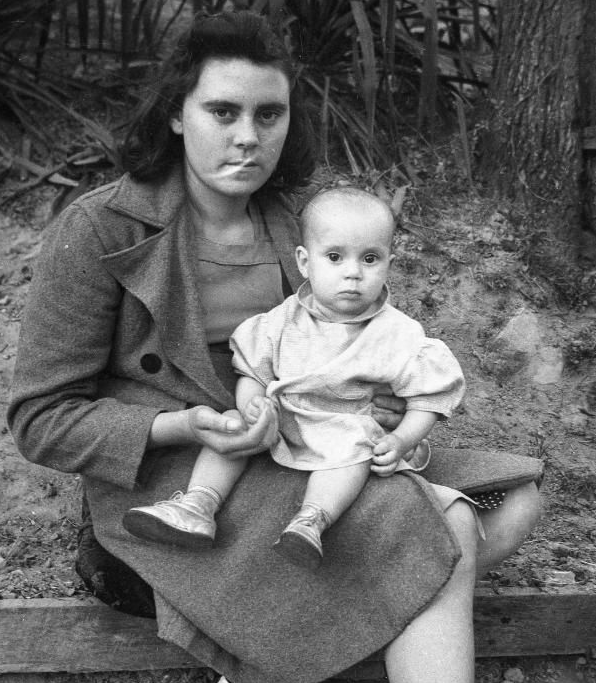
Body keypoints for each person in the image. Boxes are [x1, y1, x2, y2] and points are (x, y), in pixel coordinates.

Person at [8, 10, 541, 683]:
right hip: (186, 481)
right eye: (222, 112)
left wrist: (400, 420)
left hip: (314, 443)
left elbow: (373, 348)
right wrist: (181, 422)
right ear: (176, 113)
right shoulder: (98, 229)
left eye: (269, 113)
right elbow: (39, 418)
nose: (248, 136)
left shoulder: (303, 221)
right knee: (443, 522)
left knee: (516, 502)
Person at [122, 186, 468, 570]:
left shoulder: (397, 334)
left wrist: (402, 438)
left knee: (354, 450)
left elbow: (428, 398)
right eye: (335, 257)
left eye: (370, 259)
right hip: (282, 417)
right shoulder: (282, 320)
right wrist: (251, 404)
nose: (353, 273)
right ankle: (198, 502)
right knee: (233, 427)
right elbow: (252, 370)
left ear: (388, 263)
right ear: (305, 262)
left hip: (342, 422)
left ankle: (311, 520)